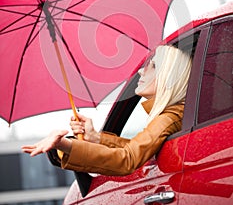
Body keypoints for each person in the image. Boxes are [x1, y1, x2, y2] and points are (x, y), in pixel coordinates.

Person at [22, 45, 192, 178]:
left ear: (169, 77)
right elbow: (139, 149)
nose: (141, 70)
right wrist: (95, 137)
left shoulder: (168, 118)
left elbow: (128, 159)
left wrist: (63, 144)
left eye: (153, 66)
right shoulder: (175, 113)